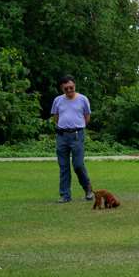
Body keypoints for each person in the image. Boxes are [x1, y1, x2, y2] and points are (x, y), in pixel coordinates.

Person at [49, 75, 93, 204]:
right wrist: (63, 128)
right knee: (63, 166)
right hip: (62, 136)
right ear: (62, 88)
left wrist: (77, 128)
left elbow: (87, 117)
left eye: (71, 87)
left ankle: (88, 188)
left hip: (77, 135)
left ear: (75, 85)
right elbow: (56, 117)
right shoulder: (58, 100)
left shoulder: (83, 99)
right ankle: (65, 195)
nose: (69, 90)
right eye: (66, 88)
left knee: (78, 165)